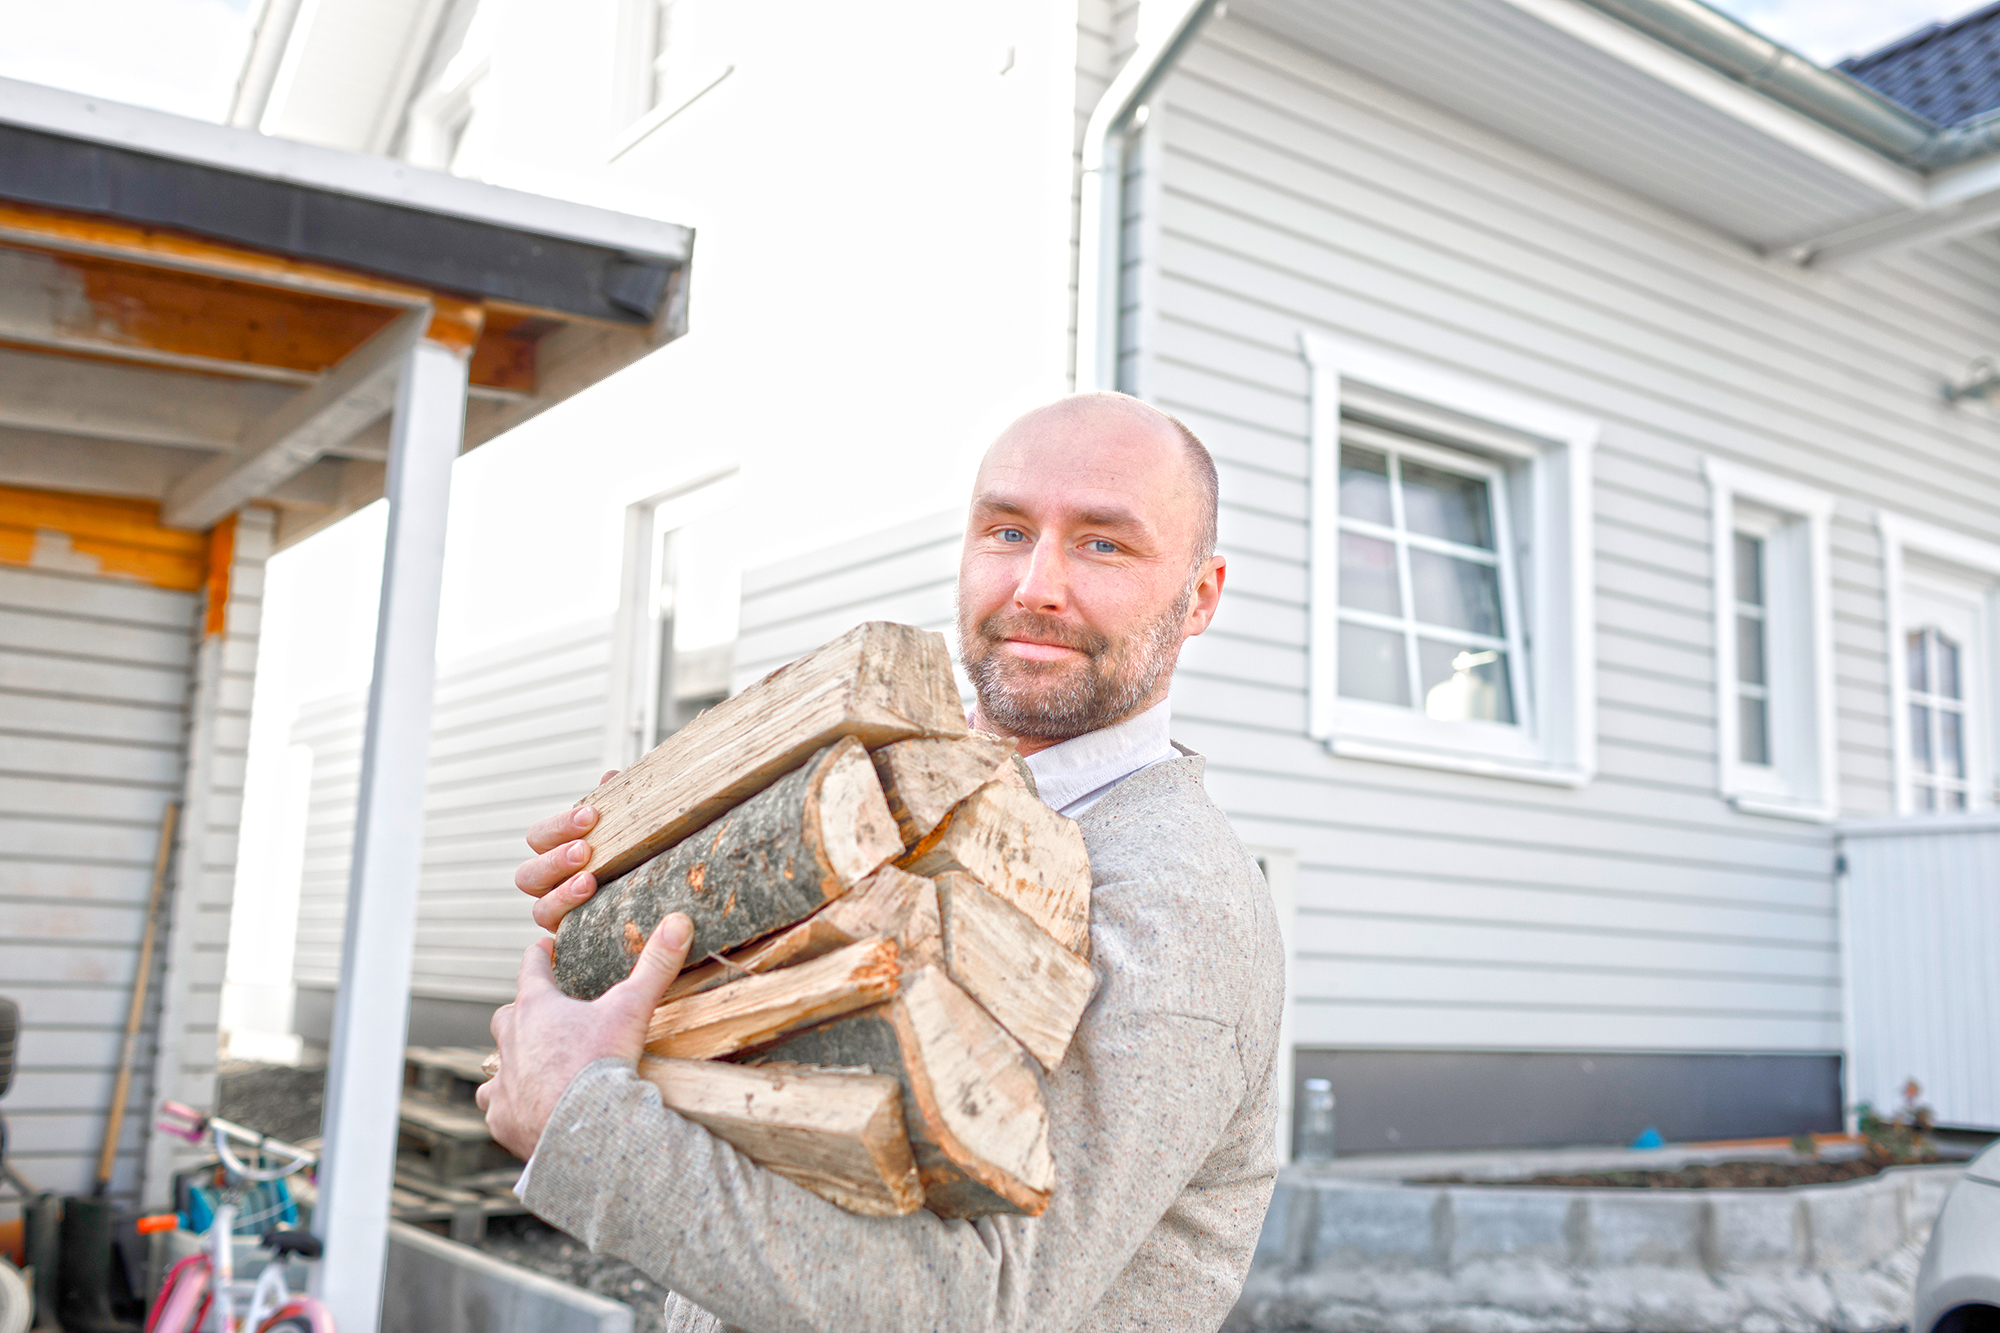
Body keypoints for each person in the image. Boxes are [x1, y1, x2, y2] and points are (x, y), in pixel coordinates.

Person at [479, 391, 1285, 1333]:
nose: (1035, 585)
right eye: (1007, 530)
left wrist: (582, 1119)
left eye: (1104, 543)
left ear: (1201, 596)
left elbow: (979, 1301)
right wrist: (633, 914)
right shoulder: (888, 794)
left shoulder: (1178, 901)